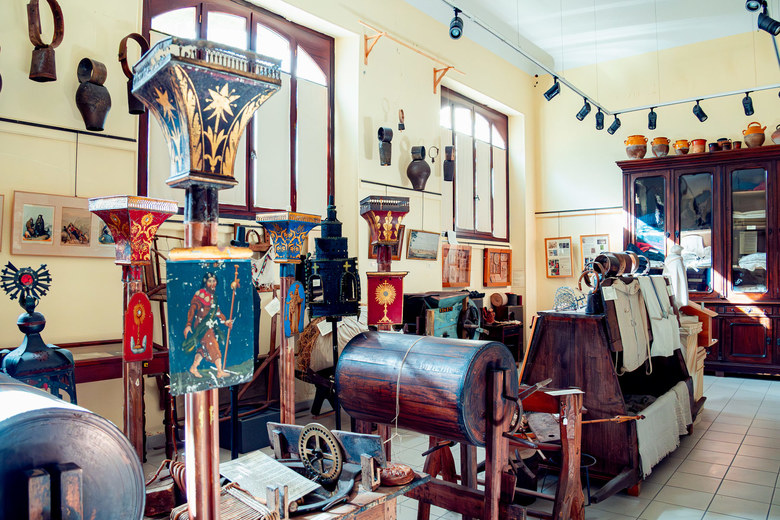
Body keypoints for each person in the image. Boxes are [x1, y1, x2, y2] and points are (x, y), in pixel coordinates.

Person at [182, 271, 233, 378]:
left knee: (204, 349)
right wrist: (188, 324)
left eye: (214, 281)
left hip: (210, 326)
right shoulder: (200, 294)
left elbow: (217, 312)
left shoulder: (214, 297)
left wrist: (225, 321)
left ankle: (193, 367)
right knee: (213, 345)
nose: (212, 283)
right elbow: (192, 309)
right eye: (209, 281)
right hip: (202, 326)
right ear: (205, 282)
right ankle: (220, 371)